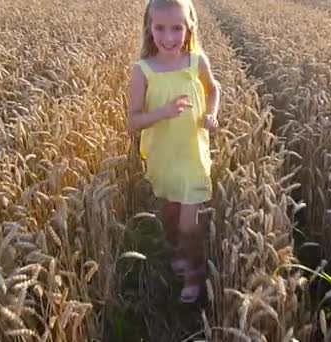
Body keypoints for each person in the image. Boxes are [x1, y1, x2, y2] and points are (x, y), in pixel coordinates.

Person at [126, 0, 220, 303]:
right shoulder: (143, 71)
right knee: (169, 211)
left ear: (189, 26)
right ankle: (176, 250)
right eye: (160, 28)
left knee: (187, 222)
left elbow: (213, 89)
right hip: (162, 156)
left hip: (192, 154)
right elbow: (133, 121)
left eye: (177, 28)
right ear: (149, 28)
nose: (169, 37)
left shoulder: (196, 61)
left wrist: (212, 114)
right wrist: (163, 112)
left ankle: (194, 275)